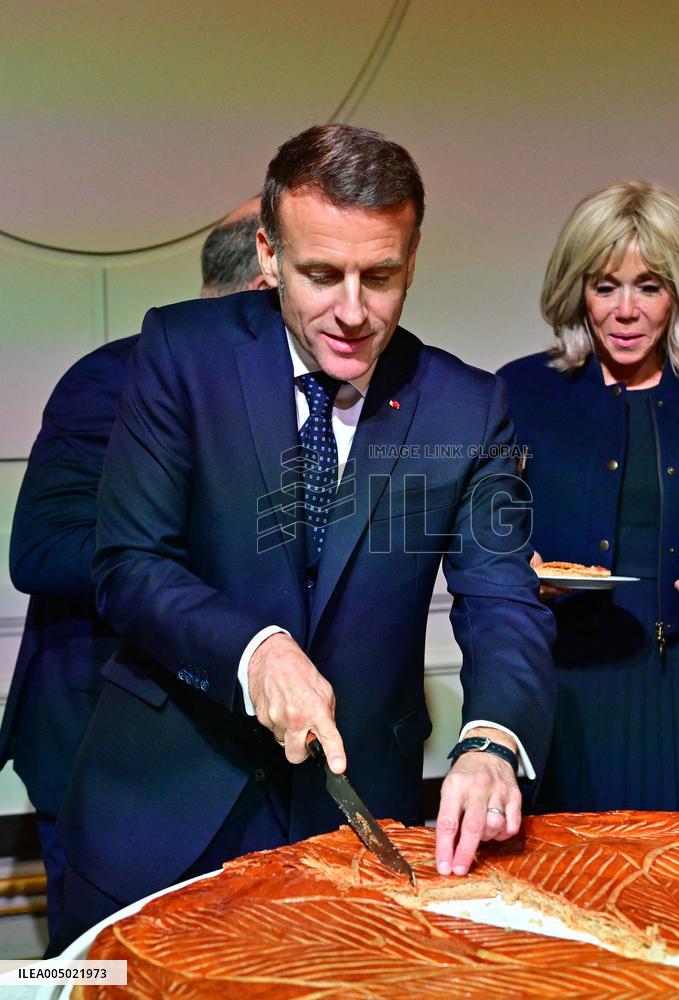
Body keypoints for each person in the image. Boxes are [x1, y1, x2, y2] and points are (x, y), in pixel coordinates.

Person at [56, 123, 556, 950]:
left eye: (382, 276)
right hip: (161, 808)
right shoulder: (183, 352)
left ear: (413, 258)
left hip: (355, 814)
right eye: (322, 274)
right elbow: (129, 563)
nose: (353, 312)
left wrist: (494, 739)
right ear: (268, 252)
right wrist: (254, 651)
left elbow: (503, 597)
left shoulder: (469, 407)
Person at [0, 197, 268, 952]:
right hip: (98, 744)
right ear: (263, 283)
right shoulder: (112, 378)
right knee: (103, 971)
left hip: (227, 751)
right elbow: (42, 550)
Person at [498, 181, 679, 814]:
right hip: (559, 696)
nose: (626, 311)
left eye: (649, 287)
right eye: (606, 286)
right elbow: (485, 547)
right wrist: (525, 577)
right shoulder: (521, 393)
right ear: (578, 290)